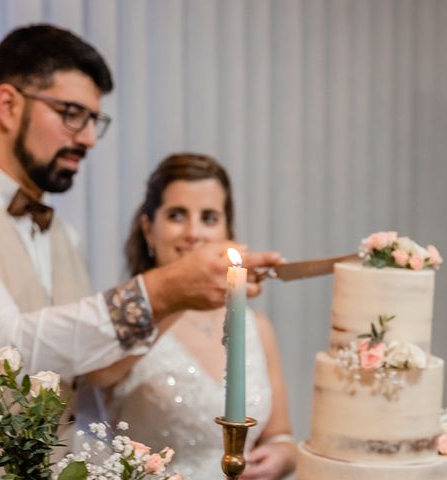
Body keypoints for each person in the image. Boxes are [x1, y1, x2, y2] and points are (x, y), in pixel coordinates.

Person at [0, 25, 282, 480]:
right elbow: (0, 349)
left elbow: (88, 374)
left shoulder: (64, 235)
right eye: (71, 114)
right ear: (7, 104)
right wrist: (163, 290)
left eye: (93, 121)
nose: (88, 139)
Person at [82, 153, 296, 480]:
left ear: (228, 232)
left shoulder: (258, 328)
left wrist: (282, 455)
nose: (194, 233)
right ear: (148, 228)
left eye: (209, 218)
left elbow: (280, 434)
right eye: (177, 215)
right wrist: (176, 295)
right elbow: (98, 374)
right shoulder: (123, 319)